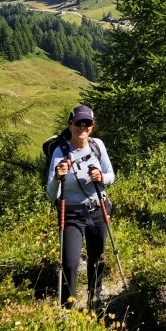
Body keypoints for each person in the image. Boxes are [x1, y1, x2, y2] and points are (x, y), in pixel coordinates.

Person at [46, 104, 115, 309]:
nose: (83, 127)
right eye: (79, 123)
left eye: (88, 123)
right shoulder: (61, 152)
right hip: (72, 213)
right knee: (69, 263)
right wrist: (57, 178)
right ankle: (68, 305)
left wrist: (101, 177)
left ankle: (95, 297)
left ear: (92, 127)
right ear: (70, 125)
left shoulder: (97, 146)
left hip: (97, 208)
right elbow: (51, 195)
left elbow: (111, 175)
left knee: (97, 257)